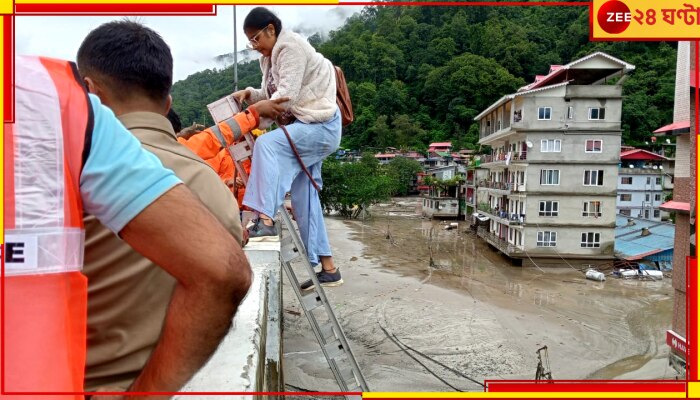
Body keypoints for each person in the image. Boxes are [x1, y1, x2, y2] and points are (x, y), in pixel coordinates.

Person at [6, 55, 252, 399]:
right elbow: (222, 272)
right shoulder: (48, 97)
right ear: (167, 104)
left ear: (91, 89)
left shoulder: (69, 137)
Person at [75, 20, 282, 391]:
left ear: (88, 92)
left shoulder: (61, 173)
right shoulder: (210, 184)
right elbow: (225, 279)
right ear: (167, 104)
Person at [232, 6, 343, 289]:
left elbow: (286, 98)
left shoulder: (290, 47)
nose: (255, 46)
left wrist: (253, 112)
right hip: (306, 126)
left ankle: (265, 219)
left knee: (266, 145)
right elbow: (272, 94)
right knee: (305, 196)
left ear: (271, 29)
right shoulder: (269, 58)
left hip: (319, 125)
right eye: (251, 42)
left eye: (256, 39)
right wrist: (251, 94)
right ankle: (328, 267)